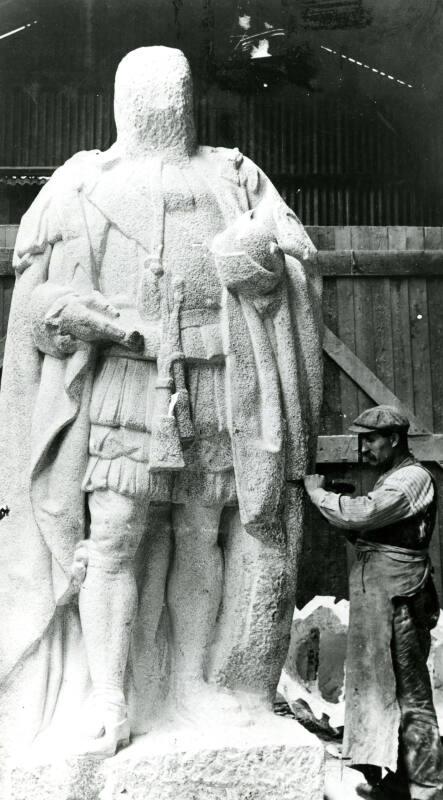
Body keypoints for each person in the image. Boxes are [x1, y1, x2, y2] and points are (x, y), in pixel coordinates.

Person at [0, 46, 323, 758]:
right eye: (152, 90)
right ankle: (110, 698)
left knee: (203, 532)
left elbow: (293, 268)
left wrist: (262, 270)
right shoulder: (81, 184)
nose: (164, 101)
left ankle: (193, 685)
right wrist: (80, 318)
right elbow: (36, 307)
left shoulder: (234, 176)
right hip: (124, 381)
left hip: (216, 381)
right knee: (115, 535)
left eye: (174, 89)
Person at [304, 405, 443, 800]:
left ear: (394, 439)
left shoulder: (413, 478)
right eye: (362, 440)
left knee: (411, 695)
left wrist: (319, 494)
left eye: (371, 440)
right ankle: (395, 782)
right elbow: (374, 531)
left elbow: (363, 513)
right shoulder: (392, 477)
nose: (364, 448)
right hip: (382, 596)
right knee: (382, 689)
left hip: (401, 598)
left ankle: (429, 787)